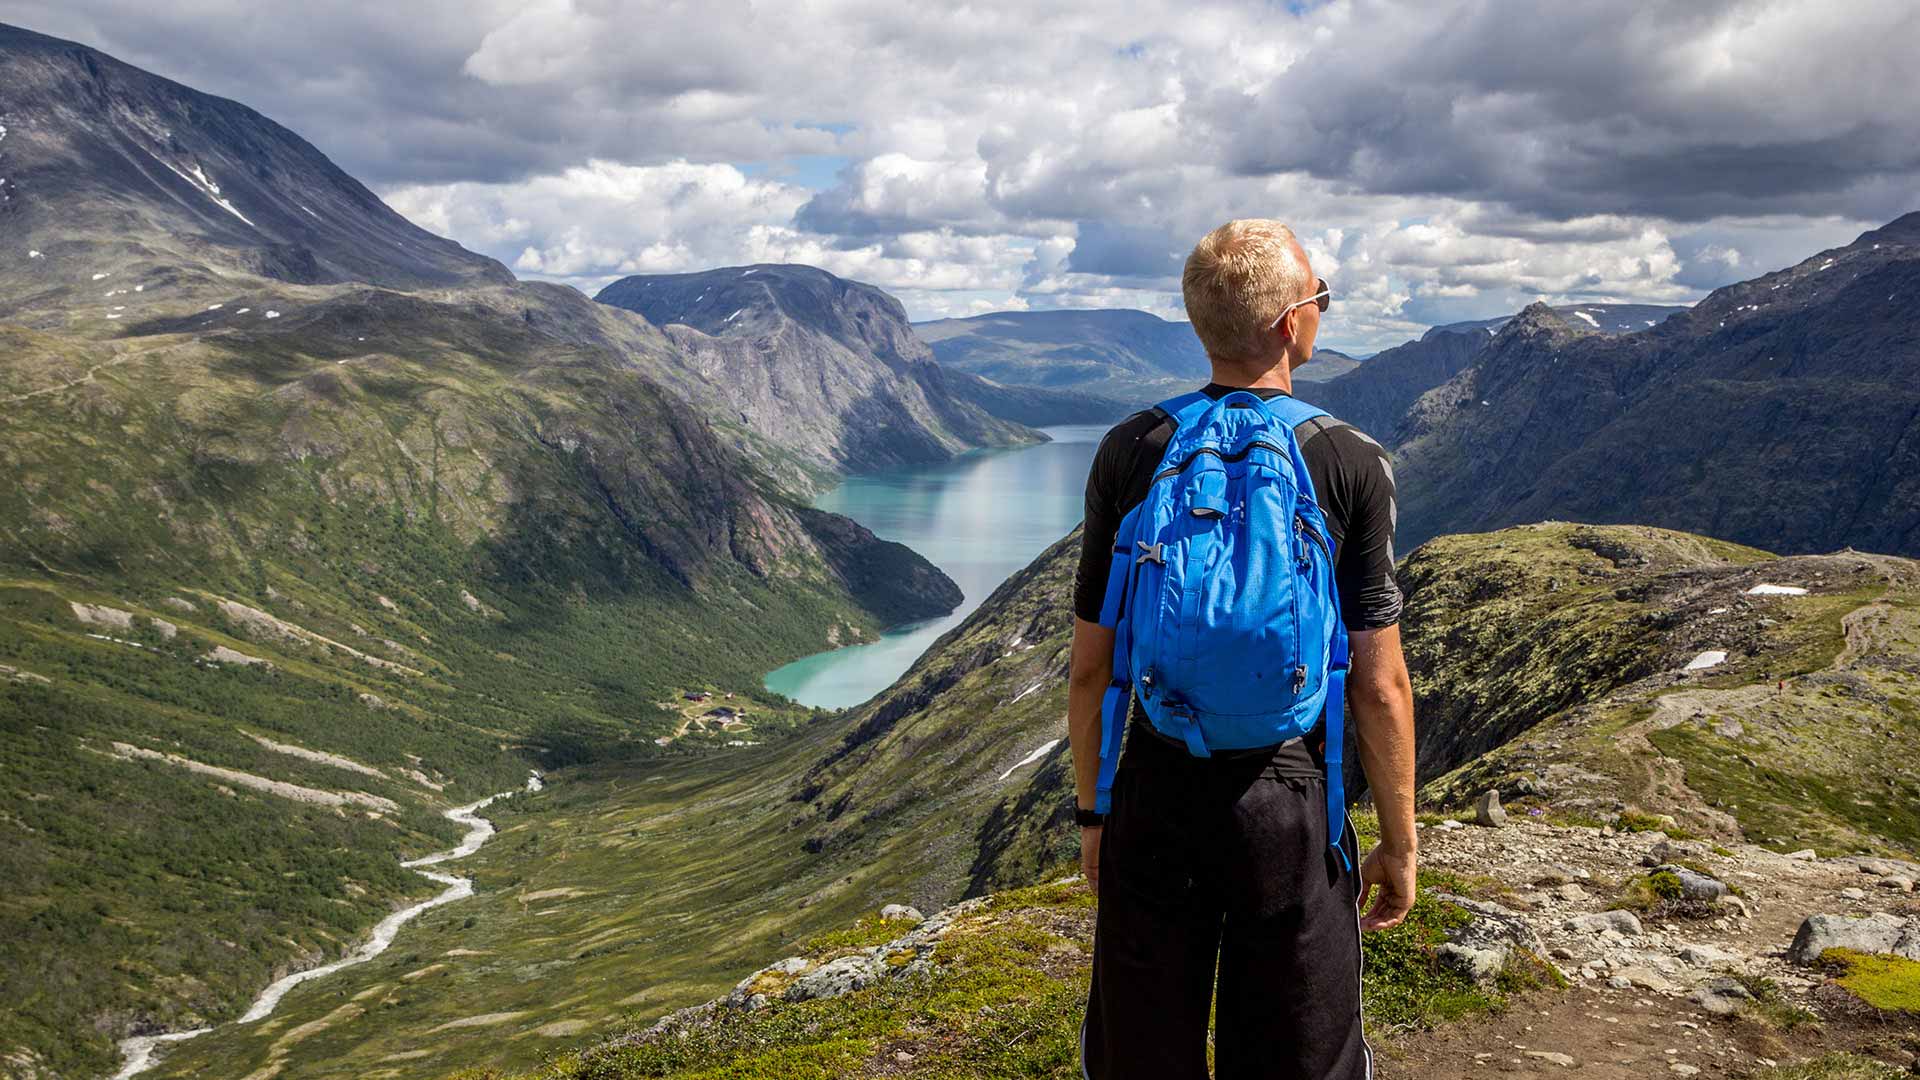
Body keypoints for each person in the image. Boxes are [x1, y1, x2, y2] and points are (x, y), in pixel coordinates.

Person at [1069, 219, 1418, 1080]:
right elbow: (1379, 685)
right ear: (1290, 324)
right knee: (1301, 1054)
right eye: (1320, 298)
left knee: (1143, 1053)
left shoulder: (1134, 448)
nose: (1323, 312)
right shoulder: (1347, 459)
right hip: (1290, 794)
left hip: (1155, 786)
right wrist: (1399, 843)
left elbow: (1091, 668)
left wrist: (1093, 816)